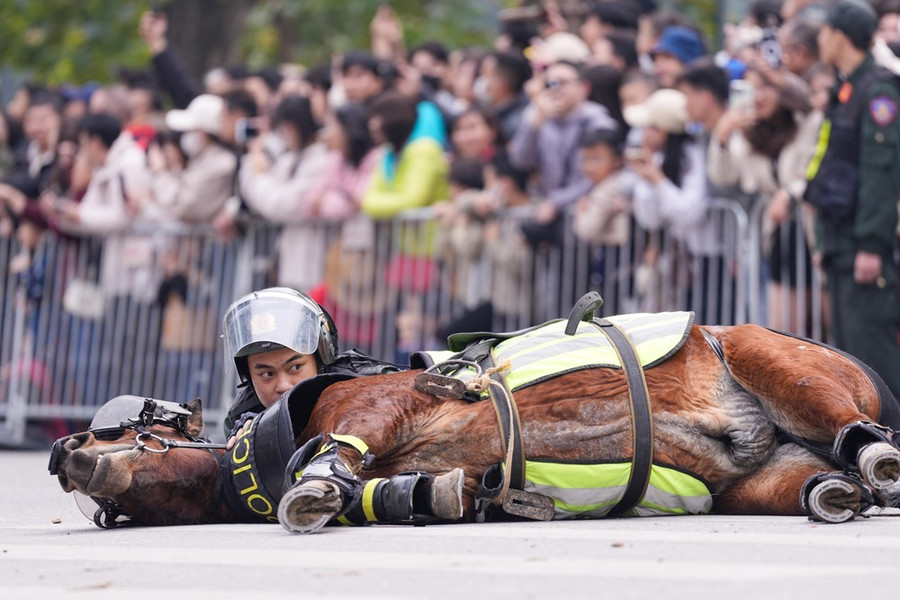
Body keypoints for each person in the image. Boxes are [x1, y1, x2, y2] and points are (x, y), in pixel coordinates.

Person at [221, 287, 463, 529]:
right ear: (249, 377)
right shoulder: (241, 420)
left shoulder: (362, 380)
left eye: (295, 367)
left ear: (320, 358)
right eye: (266, 374)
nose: (283, 385)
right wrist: (253, 440)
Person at [803, 0, 900, 399]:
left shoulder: (877, 91)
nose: (820, 40)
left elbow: (881, 172)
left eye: (824, 32)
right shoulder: (847, 89)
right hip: (841, 241)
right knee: (850, 356)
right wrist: (824, 242)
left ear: (840, 36)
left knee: (874, 357)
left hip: (862, 246)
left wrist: (871, 244)